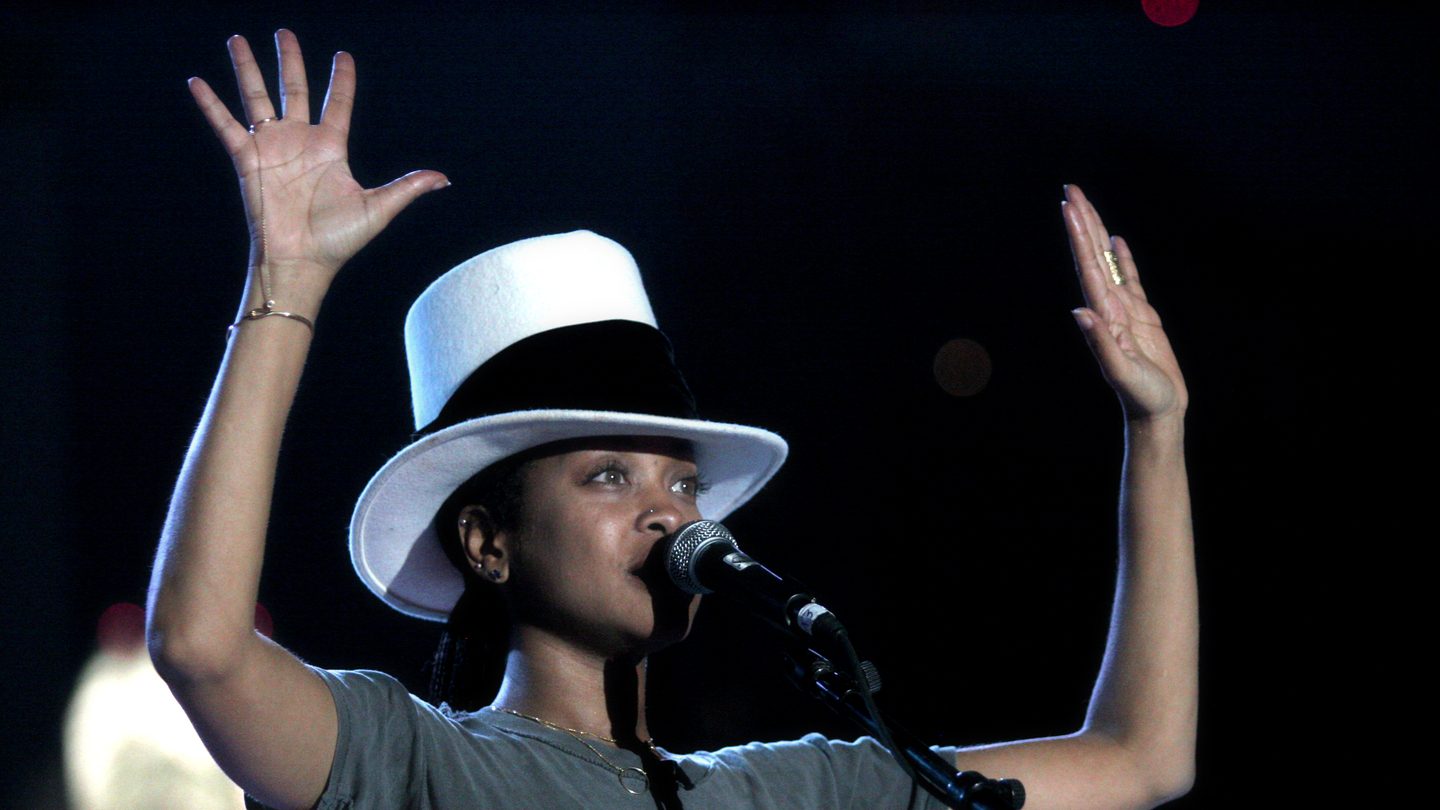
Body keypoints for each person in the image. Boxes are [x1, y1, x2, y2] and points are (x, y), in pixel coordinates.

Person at [147, 29, 1197, 810]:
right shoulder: (415, 761)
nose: (669, 512)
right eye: (610, 474)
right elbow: (201, 648)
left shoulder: (786, 791)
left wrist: (1157, 434)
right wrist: (284, 284)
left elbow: (1140, 758)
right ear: (486, 539)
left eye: (684, 481)